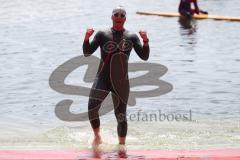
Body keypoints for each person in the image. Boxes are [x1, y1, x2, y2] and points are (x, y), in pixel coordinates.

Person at [82, 6, 150, 155]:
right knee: (92, 107)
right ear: (112, 17)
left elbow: (144, 57)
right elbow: (87, 52)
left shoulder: (132, 37)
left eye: (122, 15)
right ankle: (97, 137)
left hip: (121, 82)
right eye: (116, 14)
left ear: (125, 18)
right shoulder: (102, 34)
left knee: (121, 115)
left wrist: (145, 41)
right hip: (103, 78)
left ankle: (121, 147)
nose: (119, 17)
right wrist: (86, 37)